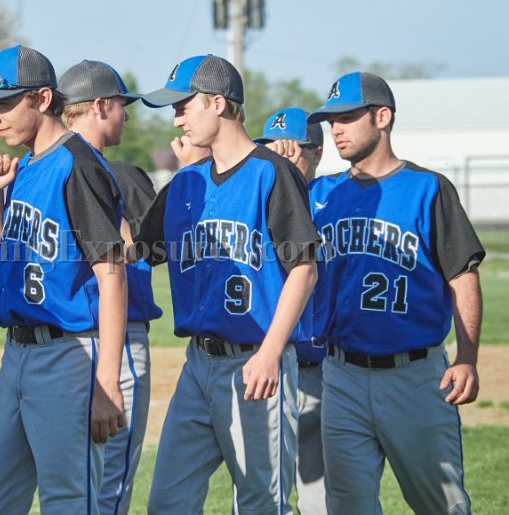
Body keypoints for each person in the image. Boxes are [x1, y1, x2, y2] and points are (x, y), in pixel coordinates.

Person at [134, 54, 319, 514]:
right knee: (167, 502)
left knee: (261, 503)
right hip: (197, 365)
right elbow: (136, 250)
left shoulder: (271, 173)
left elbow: (305, 268)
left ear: (217, 103)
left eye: (183, 107)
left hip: (256, 360)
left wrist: (271, 351)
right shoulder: (186, 183)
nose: (176, 120)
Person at [0, 45, 127, 514]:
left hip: (67, 358)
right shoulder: (29, 165)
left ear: (43, 98)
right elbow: (6, 265)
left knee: (70, 503)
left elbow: (113, 277)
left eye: (3, 103)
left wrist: (107, 383)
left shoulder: (77, 164)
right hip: (16, 355)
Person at [307, 71, 483, 514]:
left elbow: (462, 275)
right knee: (347, 507)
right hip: (341, 375)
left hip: (415, 377)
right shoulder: (321, 193)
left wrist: (466, 357)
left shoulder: (428, 189)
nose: (336, 129)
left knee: (441, 505)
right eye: (331, 120)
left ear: (382, 117)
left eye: (347, 117)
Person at [59, 59, 162, 515]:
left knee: (92, 488)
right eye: (122, 105)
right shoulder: (67, 170)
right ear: (100, 106)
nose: (127, 116)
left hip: (90, 341)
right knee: (95, 489)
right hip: (95, 342)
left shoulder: (117, 174)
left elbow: (151, 250)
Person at [254, 106, 327, 514]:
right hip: (276, 363)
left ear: (317, 152)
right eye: (269, 147)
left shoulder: (333, 195)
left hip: (324, 367)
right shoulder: (263, 197)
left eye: (290, 148)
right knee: (264, 490)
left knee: (319, 497)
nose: (278, 154)